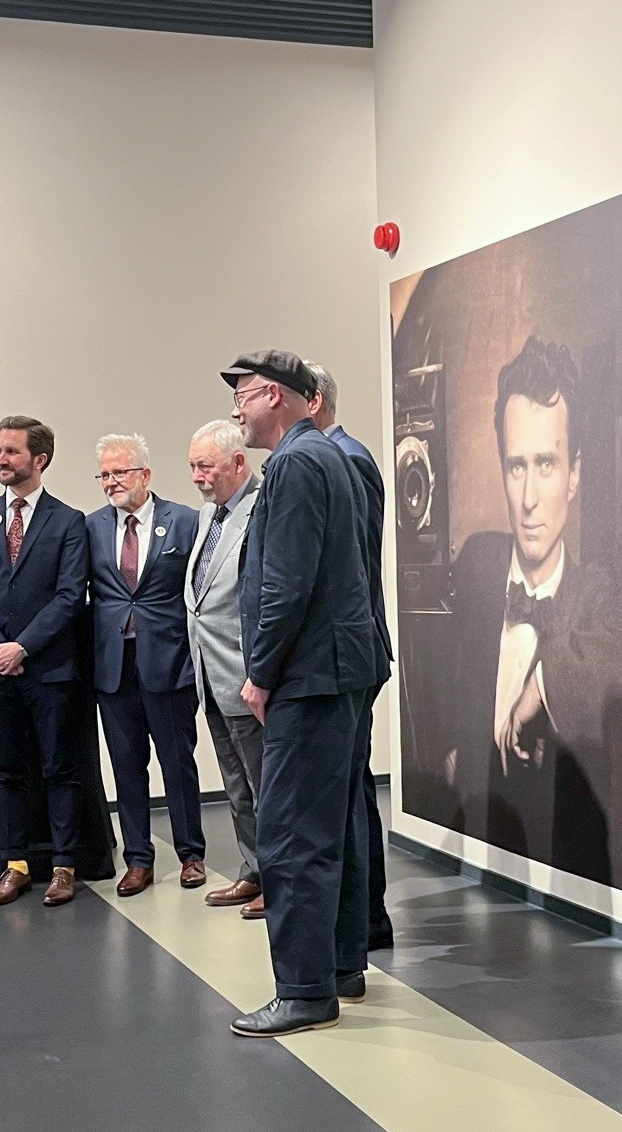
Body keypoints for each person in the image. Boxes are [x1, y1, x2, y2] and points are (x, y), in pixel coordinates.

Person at [443, 337, 622, 900]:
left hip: (560, 878)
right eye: (516, 466)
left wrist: (543, 686)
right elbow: (449, 684)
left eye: (546, 464)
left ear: (574, 474)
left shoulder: (600, 596)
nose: (529, 499)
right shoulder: (478, 564)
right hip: (471, 860)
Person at [222, 350, 378, 1039]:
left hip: (308, 677)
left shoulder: (293, 465)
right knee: (334, 826)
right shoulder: (329, 456)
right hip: (335, 671)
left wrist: (259, 674)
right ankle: (340, 965)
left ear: (280, 397)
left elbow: (286, 585)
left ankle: (304, 991)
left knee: (289, 835)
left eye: (246, 395)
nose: (237, 409)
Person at [0, 415, 89, 907]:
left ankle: (64, 866)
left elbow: (70, 596)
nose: (1, 460)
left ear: (39, 459)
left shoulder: (68, 521)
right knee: (6, 771)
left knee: (59, 769)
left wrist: (23, 646)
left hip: (48, 669)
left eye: (11, 451)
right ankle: (16, 865)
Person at [86, 433, 206, 896]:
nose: (111, 482)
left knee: (178, 763)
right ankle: (137, 859)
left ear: (145, 474)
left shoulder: (185, 521)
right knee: (126, 766)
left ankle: (191, 854)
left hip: (169, 663)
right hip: (114, 666)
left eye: (119, 472)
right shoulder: (91, 527)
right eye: (104, 475)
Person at [305, 361, 394, 949]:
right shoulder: (335, 456)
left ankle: (366, 921)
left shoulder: (348, 460)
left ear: (311, 401)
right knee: (350, 790)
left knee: (350, 794)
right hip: (342, 653)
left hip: (348, 654)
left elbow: (353, 567)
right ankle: (363, 922)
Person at [183, 420, 263, 915]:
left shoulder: (260, 512)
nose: (197, 476)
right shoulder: (206, 516)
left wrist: (260, 674)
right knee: (237, 789)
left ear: (238, 462)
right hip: (210, 678)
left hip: (247, 679)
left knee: (264, 788)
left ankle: (280, 881)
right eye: (192, 466)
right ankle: (253, 871)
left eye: (205, 466)